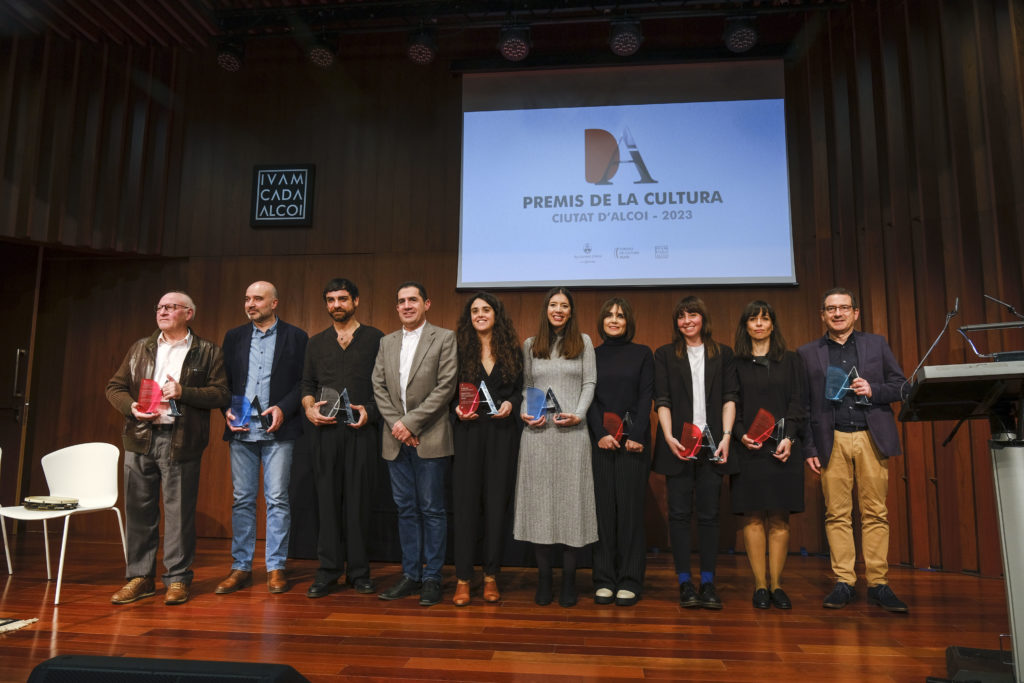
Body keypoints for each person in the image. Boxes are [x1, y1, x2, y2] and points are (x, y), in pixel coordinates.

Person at [106, 291, 229, 605]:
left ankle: (177, 580)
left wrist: (183, 391)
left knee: (178, 513)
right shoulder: (140, 347)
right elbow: (114, 387)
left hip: (181, 440)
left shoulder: (207, 351)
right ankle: (139, 577)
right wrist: (130, 406)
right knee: (139, 512)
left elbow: (220, 395)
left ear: (188, 313)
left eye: (170, 307)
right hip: (139, 437)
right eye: (159, 306)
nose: (162, 311)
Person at [798, 287, 909, 613]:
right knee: (837, 515)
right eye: (830, 308)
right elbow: (804, 406)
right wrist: (809, 447)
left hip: (870, 436)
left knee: (875, 512)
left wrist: (874, 390)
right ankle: (843, 581)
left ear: (855, 313)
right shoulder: (807, 353)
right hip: (831, 439)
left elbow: (902, 386)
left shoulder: (876, 344)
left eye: (844, 308)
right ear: (822, 315)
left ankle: (879, 583)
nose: (837, 313)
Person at [216, 281, 308, 596]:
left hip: (278, 431)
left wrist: (284, 408)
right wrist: (225, 409)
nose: (250, 303)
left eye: (257, 298)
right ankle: (240, 567)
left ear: (274, 303)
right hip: (241, 431)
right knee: (242, 500)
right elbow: (222, 383)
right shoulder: (234, 337)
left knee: (277, 499)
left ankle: (275, 567)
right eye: (247, 298)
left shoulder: (296, 337)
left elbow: (304, 383)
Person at [372, 281, 457, 606]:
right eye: (401, 301)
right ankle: (411, 575)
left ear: (426, 304)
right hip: (396, 440)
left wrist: (410, 423)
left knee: (432, 510)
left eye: (413, 300)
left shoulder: (444, 338)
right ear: (397, 307)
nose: (407, 305)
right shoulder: (386, 342)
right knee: (406, 510)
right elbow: (378, 386)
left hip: (430, 437)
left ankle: (433, 578)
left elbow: (446, 387)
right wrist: (398, 425)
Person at [513, 286, 597, 608]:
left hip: (573, 435)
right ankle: (545, 578)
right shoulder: (531, 345)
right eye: (553, 304)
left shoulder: (584, 342)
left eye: (564, 305)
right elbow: (527, 387)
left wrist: (579, 413)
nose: (558, 310)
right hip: (538, 436)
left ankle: (569, 581)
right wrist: (525, 411)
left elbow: (590, 382)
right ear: (545, 309)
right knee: (541, 508)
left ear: (571, 311)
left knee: (571, 506)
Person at [652, 295, 737, 610]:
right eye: (681, 316)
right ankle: (685, 582)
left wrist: (727, 436)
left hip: (713, 445)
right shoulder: (665, 355)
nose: (687, 321)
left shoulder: (722, 354)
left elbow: (730, 397)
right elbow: (662, 400)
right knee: (677, 514)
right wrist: (669, 437)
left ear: (703, 318)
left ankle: (709, 582)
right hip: (678, 446)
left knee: (710, 515)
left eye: (693, 315)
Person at [301, 278, 384, 598]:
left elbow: (386, 389)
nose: (337, 305)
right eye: (331, 300)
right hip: (324, 433)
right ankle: (328, 570)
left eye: (343, 299)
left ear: (356, 301)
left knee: (359, 504)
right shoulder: (316, 342)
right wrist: (309, 408)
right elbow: (306, 384)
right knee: (327, 503)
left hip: (362, 432)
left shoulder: (376, 339)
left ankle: (360, 572)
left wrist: (372, 413)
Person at [730, 300, 807, 610]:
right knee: (752, 515)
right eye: (753, 319)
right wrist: (739, 434)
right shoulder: (734, 364)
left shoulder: (791, 361)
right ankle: (760, 586)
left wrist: (788, 438)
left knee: (779, 516)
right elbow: (729, 403)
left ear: (773, 325)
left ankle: (777, 585)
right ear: (745, 325)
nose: (759, 324)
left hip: (782, 449)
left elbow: (798, 402)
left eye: (764, 319)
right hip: (748, 447)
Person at [451, 292, 524, 606]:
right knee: (466, 507)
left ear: (497, 314)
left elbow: (522, 391)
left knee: (496, 506)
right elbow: (447, 390)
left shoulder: (513, 351)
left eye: (486, 309)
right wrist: (455, 408)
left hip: (501, 435)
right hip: (467, 433)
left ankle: (491, 576)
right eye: (475, 310)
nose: (480, 314)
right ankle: (464, 578)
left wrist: (512, 402)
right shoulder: (457, 349)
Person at [586, 297, 653, 607]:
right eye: (609, 315)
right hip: (600, 443)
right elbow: (589, 398)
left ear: (629, 322)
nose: (614, 320)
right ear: (602, 320)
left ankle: (629, 579)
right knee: (603, 513)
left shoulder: (642, 354)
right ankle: (604, 579)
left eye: (620, 316)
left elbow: (645, 396)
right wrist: (599, 433)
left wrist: (637, 435)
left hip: (633, 444)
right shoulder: (591, 355)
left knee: (629, 513)